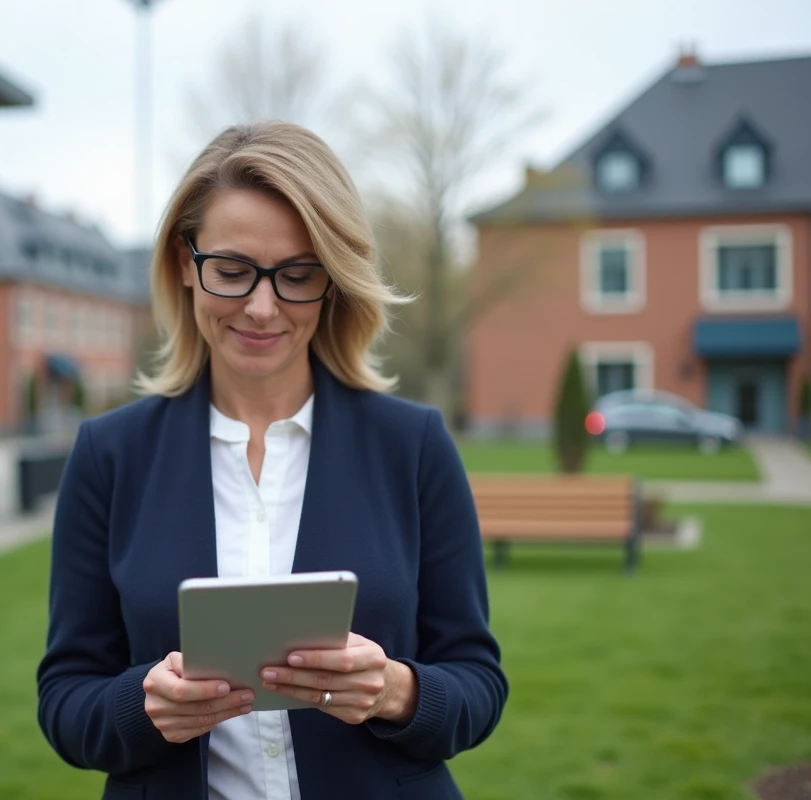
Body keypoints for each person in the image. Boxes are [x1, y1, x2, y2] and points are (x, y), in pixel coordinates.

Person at [37, 121, 507, 800]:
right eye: (231, 272)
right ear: (183, 264)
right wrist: (140, 707)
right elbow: (64, 699)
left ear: (334, 280)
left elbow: (478, 683)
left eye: (297, 276)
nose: (262, 308)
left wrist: (397, 690)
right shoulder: (110, 457)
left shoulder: (413, 447)